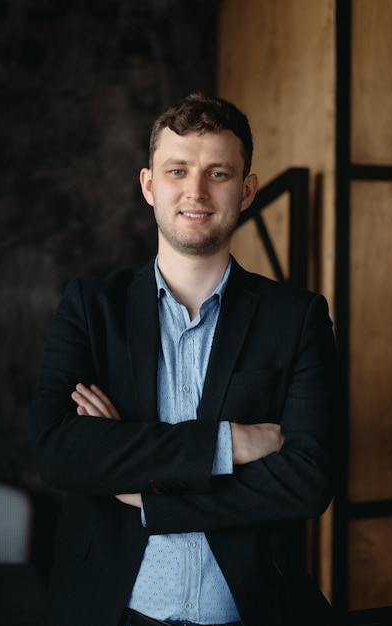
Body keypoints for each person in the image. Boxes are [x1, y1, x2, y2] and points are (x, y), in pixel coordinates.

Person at [31, 92, 339, 626]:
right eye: (178, 170)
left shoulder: (299, 317)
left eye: (218, 173)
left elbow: (308, 481)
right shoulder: (90, 306)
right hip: (109, 610)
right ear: (150, 185)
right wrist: (227, 444)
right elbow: (58, 450)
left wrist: (143, 491)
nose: (196, 191)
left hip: (254, 610)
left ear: (246, 191)